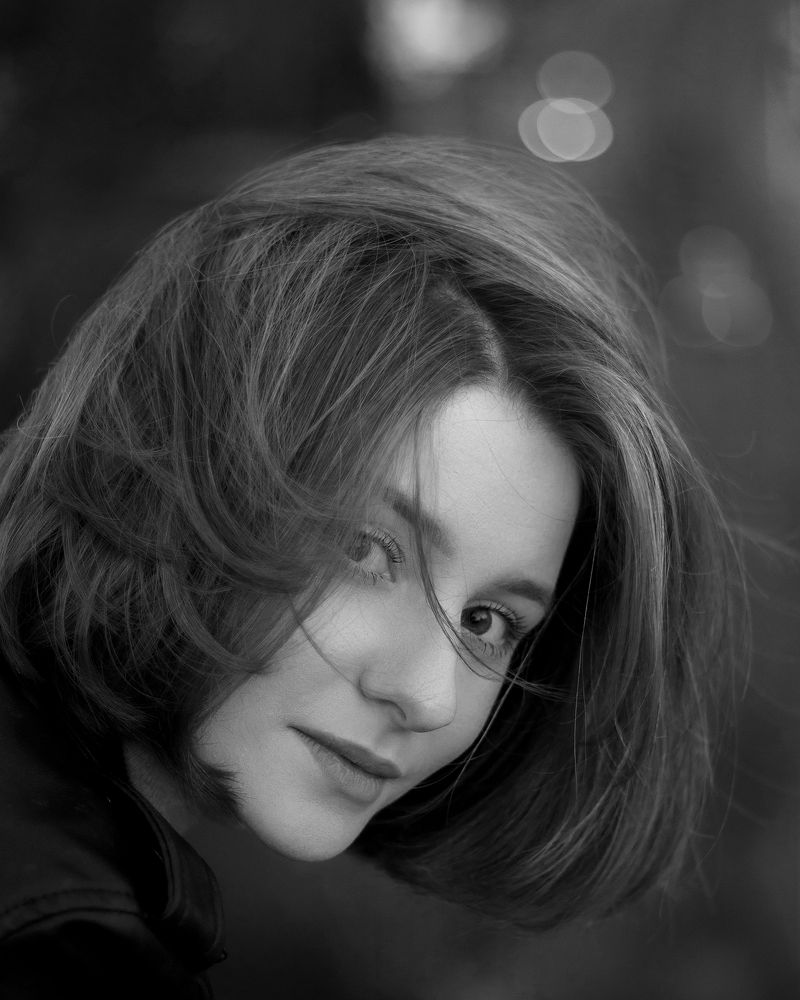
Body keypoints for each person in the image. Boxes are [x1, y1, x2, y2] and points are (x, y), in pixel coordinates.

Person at [0, 136, 737, 996]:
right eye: (365, 550)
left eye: (488, 622)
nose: (429, 697)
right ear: (181, 459)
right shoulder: (59, 945)